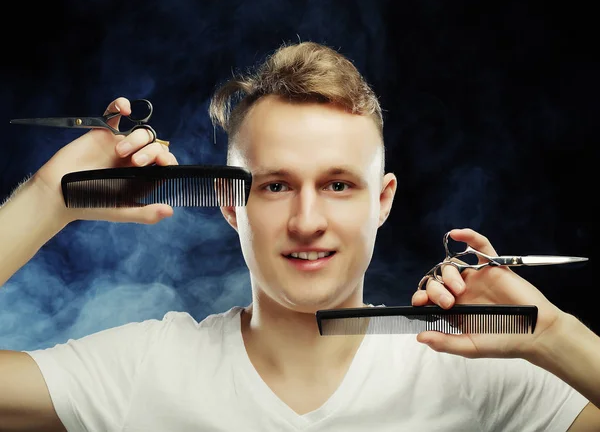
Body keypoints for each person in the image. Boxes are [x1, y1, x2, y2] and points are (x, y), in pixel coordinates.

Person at [0, 41, 598, 431]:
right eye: (276, 186)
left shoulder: (475, 370)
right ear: (230, 205)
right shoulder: (147, 371)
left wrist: (553, 336)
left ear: (382, 201)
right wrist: (48, 199)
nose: (307, 220)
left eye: (338, 185)